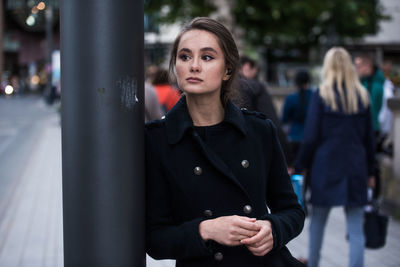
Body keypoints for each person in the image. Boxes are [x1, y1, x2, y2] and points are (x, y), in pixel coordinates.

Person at [145, 17, 305, 267]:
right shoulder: (157, 139)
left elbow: (292, 211)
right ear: (175, 66)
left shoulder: (259, 130)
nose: (194, 66)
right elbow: (155, 239)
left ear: (228, 69)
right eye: (185, 57)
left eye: (207, 57)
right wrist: (206, 230)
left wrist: (273, 229)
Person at [294, 47, 376, 267]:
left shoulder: (322, 95)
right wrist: (372, 171)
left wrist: (299, 165)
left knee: (318, 223)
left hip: (326, 167)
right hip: (356, 166)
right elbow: (370, 140)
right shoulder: (362, 95)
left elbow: (310, 137)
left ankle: (314, 264)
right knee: (356, 228)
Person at [237, 56, 291, 162]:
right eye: (255, 70)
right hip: (253, 153)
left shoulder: (222, 88)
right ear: (247, 67)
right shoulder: (256, 88)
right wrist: (287, 156)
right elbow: (272, 122)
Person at [281, 70, 313, 166]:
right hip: (309, 137)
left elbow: (284, 119)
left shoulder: (290, 98)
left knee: (293, 168)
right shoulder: (315, 97)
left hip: (293, 137)